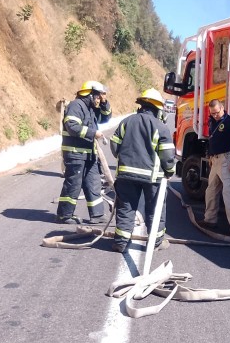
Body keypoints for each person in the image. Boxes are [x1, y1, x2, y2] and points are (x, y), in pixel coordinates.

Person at [109, 88, 176, 253]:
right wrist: (170, 170)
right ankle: (155, 243)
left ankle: (121, 243)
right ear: (157, 109)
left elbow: (114, 144)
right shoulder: (160, 127)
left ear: (142, 106)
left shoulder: (127, 121)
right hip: (152, 178)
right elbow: (167, 155)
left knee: (126, 208)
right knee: (155, 210)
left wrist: (123, 158)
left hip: (126, 175)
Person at [55, 81, 111, 225]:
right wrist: (94, 133)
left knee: (93, 183)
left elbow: (105, 117)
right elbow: (72, 126)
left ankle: (97, 215)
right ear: (89, 94)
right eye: (97, 96)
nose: (99, 99)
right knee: (74, 183)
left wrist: (104, 102)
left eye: (100, 96)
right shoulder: (76, 106)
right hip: (75, 154)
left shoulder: (90, 108)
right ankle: (64, 215)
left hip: (88, 154)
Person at [197, 99, 230, 238]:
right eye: (212, 113)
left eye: (217, 112)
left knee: (228, 192)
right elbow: (211, 140)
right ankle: (210, 220)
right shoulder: (212, 121)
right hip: (215, 160)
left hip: (227, 159)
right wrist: (210, 156)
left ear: (222, 108)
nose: (215, 115)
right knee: (211, 190)